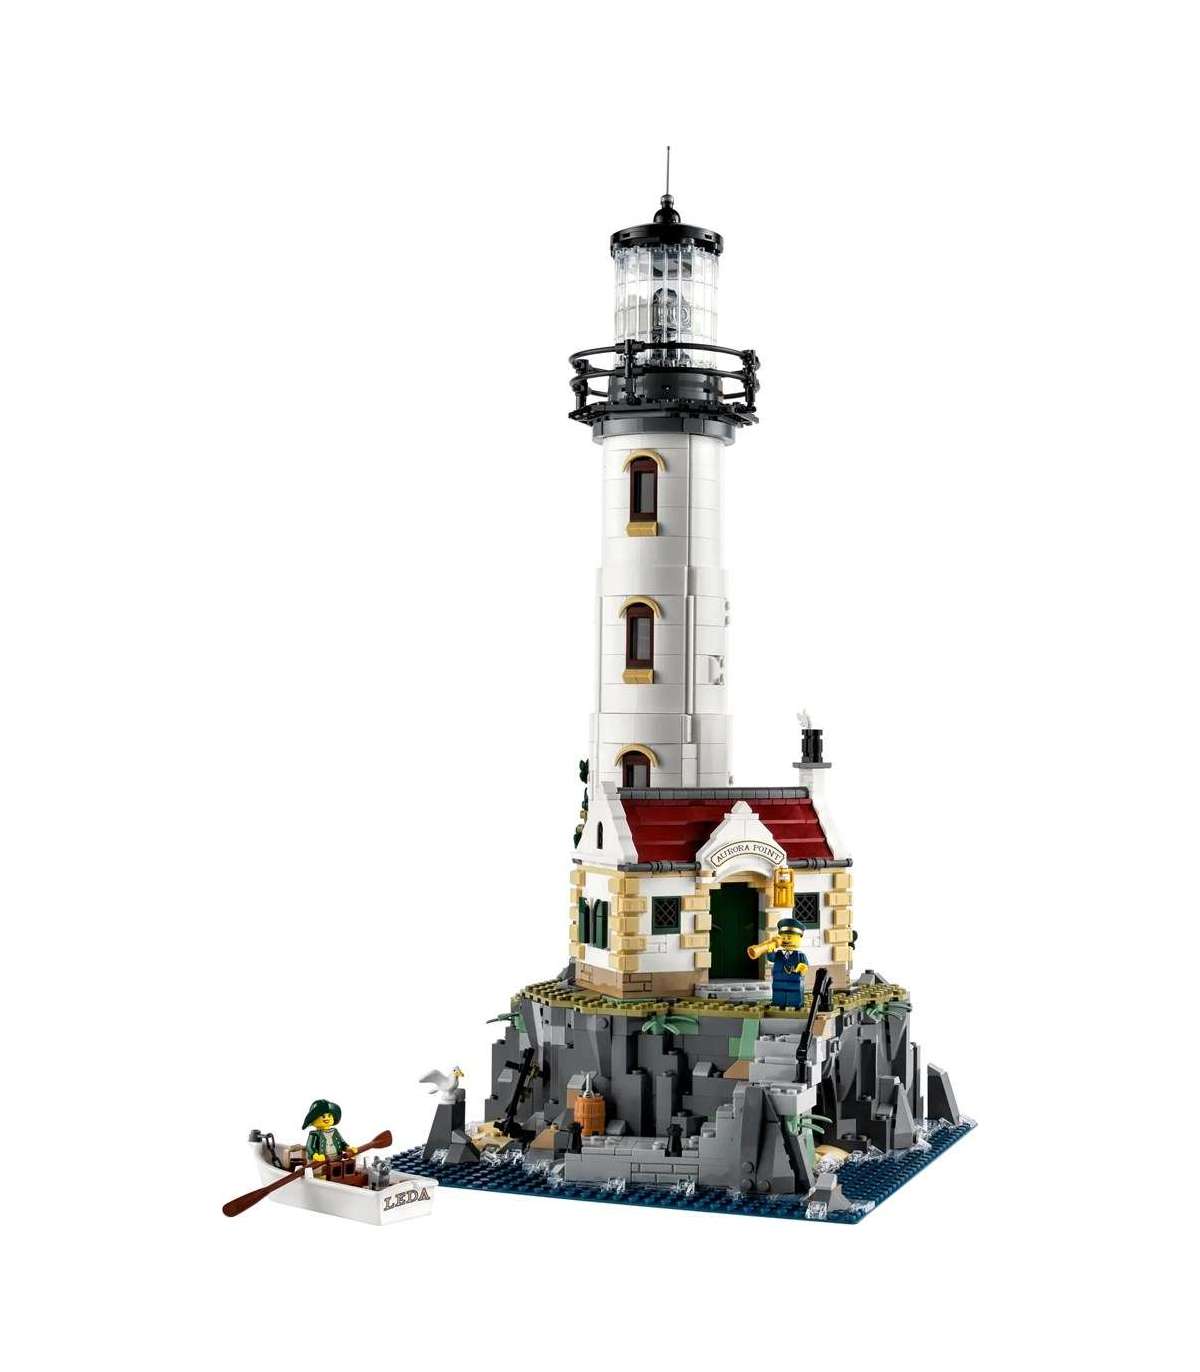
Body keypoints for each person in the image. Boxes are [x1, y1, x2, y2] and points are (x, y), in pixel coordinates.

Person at [763, 918, 810, 1009]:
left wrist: (802, 968)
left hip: (794, 982)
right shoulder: (778, 954)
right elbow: (771, 958)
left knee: (794, 994)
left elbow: (805, 965)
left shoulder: (800, 955)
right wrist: (770, 950)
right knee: (778, 993)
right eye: (783, 937)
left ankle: (795, 1004)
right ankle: (778, 1003)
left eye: (789, 937)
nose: (786, 940)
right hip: (778, 982)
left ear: (799, 938)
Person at [303, 1099, 356, 1165]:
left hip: (337, 1159)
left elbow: (342, 1143)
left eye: (329, 1116)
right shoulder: (314, 1134)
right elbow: (310, 1146)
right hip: (323, 1162)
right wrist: (315, 1155)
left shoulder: (335, 1131)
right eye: (323, 1116)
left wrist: (348, 1148)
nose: (326, 1118)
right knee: (323, 1170)